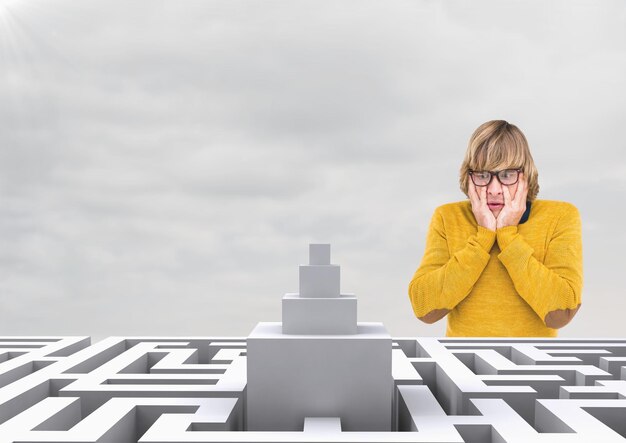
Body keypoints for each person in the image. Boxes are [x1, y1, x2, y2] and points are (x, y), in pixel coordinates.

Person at [407, 120, 582, 337]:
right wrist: (483, 238)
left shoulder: (560, 216)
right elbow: (424, 307)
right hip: (463, 365)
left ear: (525, 176)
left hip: (534, 368)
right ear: (469, 178)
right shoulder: (447, 217)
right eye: (482, 175)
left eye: (507, 175)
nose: (494, 190)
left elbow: (561, 311)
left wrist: (508, 236)